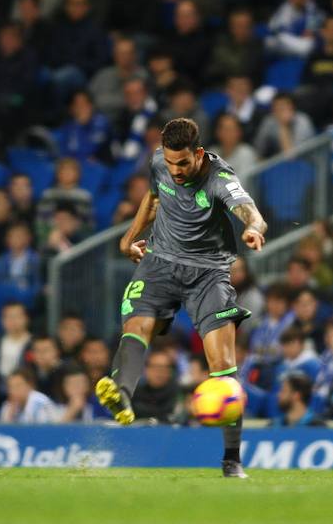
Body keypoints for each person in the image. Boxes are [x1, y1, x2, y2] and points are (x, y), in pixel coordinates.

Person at [95, 118, 267, 479]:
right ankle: (122, 395)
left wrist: (252, 228)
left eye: (183, 164)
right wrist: (129, 237)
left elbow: (249, 210)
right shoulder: (160, 162)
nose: (175, 170)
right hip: (161, 262)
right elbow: (153, 197)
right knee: (137, 323)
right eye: (171, 163)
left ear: (199, 154)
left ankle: (232, 460)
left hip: (208, 273)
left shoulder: (220, 179)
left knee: (222, 365)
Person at [0, 301, 33, 382]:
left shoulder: (34, 343)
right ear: (2, 320)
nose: (13, 320)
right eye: (8, 317)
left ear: (26, 318)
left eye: (17, 316)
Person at [131, 349, 179, 423]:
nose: (160, 372)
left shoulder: (178, 394)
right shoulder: (134, 394)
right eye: (156, 367)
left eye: (164, 367)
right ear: (146, 370)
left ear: (170, 371)